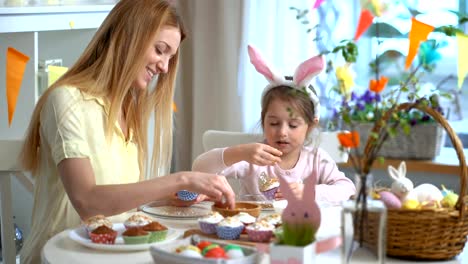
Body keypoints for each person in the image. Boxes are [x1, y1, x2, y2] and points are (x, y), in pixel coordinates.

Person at [18, 1, 234, 263]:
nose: (164, 67)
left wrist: (173, 195)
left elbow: (120, 200)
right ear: (129, 36)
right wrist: (181, 180)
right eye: (160, 50)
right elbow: (88, 202)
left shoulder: (128, 110)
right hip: (65, 256)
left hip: (116, 254)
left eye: (170, 57)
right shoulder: (66, 100)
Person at [192, 45, 355, 202]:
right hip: (252, 228)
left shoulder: (316, 159)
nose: (282, 132)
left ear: (311, 125)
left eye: (293, 125)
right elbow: (199, 169)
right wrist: (239, 151)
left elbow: (348, 189)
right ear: (263, 121)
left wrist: (310, 192)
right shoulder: (252, 157)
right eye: (274, 123)